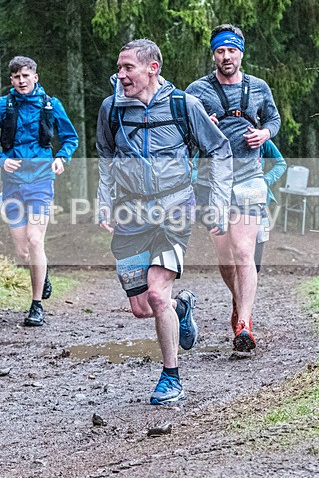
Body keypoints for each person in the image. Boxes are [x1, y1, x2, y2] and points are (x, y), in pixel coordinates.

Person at [97, 39, 232, 405]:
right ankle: (182, 308)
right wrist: (103, 204)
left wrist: (217, 204)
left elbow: (219, 149)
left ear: (152, 68)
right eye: (120, 67)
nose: (121, 74)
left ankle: (171, 378)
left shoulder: (183, 105)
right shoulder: (111, 109)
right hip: (130, 214)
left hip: (175, 208)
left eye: (128, 67)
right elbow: (105, 156)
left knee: (157, 295)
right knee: (142, 307)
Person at [186, 24, 282, 352]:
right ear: (213, 54)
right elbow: (181, 130)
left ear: (241, 52)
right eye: (220, 51)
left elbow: (273, 119)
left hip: (249, 177)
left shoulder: (258, 87)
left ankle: (244, 323)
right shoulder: (197, 90)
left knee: (244, 252)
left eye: (231, 50)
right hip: (211, 181)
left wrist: (265, 134)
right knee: (226, 258)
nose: (226, 56)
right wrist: (201, 127)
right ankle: (239, 301)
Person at [0, 56, 78, 327]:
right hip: (12, 183)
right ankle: (42, 274)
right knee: (23, 251)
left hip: (41, 181)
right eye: (16, 77)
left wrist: (61, 158)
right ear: (11, 79)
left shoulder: (51, 105)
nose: (21, 81)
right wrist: (1, 159)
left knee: (35, 240)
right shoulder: (2, 106)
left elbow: (70, 138)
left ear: (36, 76)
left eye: (26, 76)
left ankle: (36, 306)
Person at [254, 140, 287, 274]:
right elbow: (197, 166)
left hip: (259, 202)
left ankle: (247, 294)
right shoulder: (221, 134)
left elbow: (281, 163)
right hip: (230, 204)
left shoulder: (262, 140)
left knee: (255, 262)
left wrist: (265, 180)